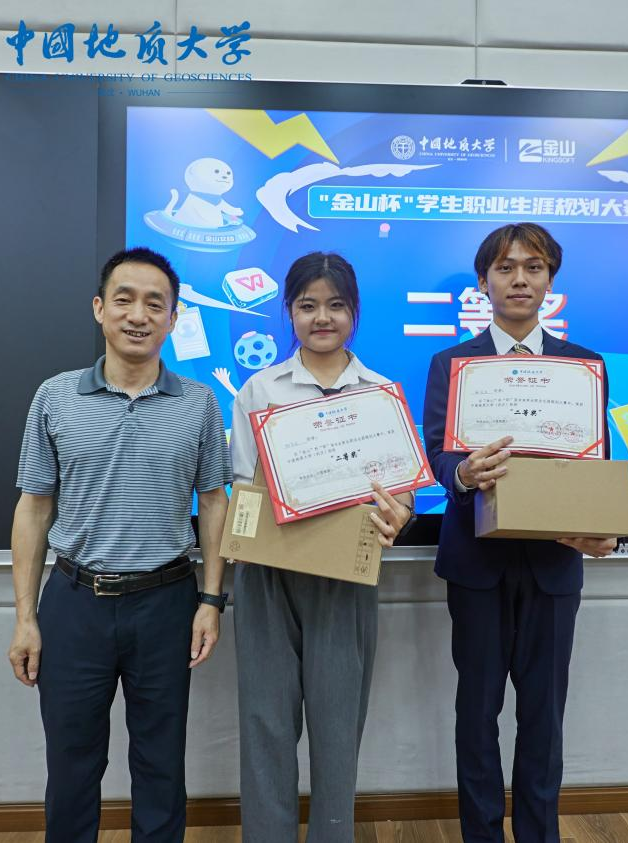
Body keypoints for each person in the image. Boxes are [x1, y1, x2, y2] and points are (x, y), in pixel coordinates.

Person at [8, 247, 232, 843]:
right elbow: (33, 508)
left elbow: (214, 502)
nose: (138, 315)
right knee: (71, 764)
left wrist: (211, 601)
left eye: (155, 304)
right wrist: (26, 618)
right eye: (124, 300)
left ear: (173, 318)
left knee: (161, 764)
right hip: (74, 602)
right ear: (99, 309)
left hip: (166, 602)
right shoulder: (55, 397)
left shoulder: (199, 403)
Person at [422, 223, 617, 842]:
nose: (519, 280)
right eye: (505, 268)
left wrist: (606, 530)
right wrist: (463, 473)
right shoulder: (452, 364)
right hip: (476, 565)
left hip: (555, 565)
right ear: (483, 282)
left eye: (533, 268)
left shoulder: (584, 366)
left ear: (550, 280)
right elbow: (437, 454)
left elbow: (596, 463)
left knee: (544, 719)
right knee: (476, 715)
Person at [227, 251, 413, 842]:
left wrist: (398, 516)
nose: (322, 318)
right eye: (308, 305)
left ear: (354, 313)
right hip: (267, 575)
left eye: (336, 305)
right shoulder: (260, 389)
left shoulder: (380, 393)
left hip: (346, 576)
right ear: (289, 312)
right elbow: (242, 485)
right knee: (265, 723)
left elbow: (400, 493)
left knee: (338, 727)